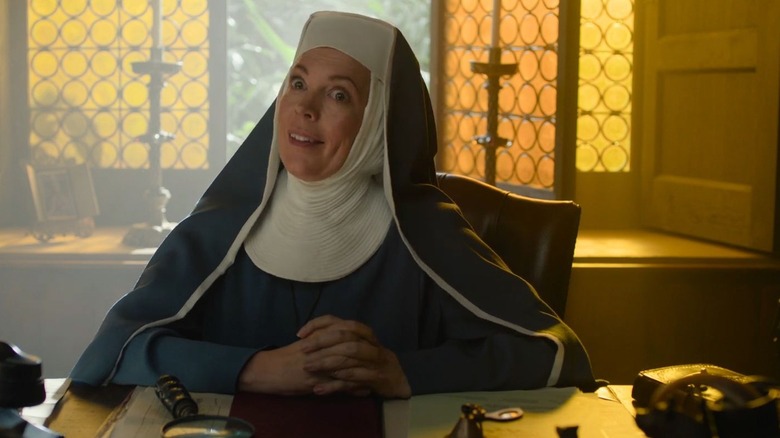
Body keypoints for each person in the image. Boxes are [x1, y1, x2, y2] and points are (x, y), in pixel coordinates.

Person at [70, 11, 598, 398]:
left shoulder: (424, 232)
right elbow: (110, 353)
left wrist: (403, 373)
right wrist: (258, 370)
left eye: (339, 94)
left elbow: (555, 352)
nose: (303, 106)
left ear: (376, 123)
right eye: (297, 83)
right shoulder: (220, 228)